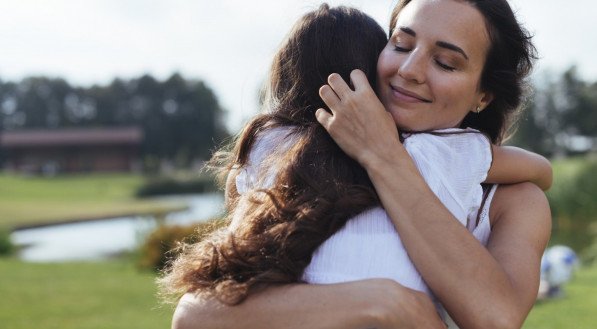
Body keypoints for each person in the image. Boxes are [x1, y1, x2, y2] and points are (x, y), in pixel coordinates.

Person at [164, 1, 552, 328]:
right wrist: (383, 302)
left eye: (446, 63)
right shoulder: (302, 161)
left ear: (483, 95)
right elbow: (198, 313)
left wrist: (383, 154)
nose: (409, 70)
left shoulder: (512, 200)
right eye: (400, 44)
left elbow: (496, 318)